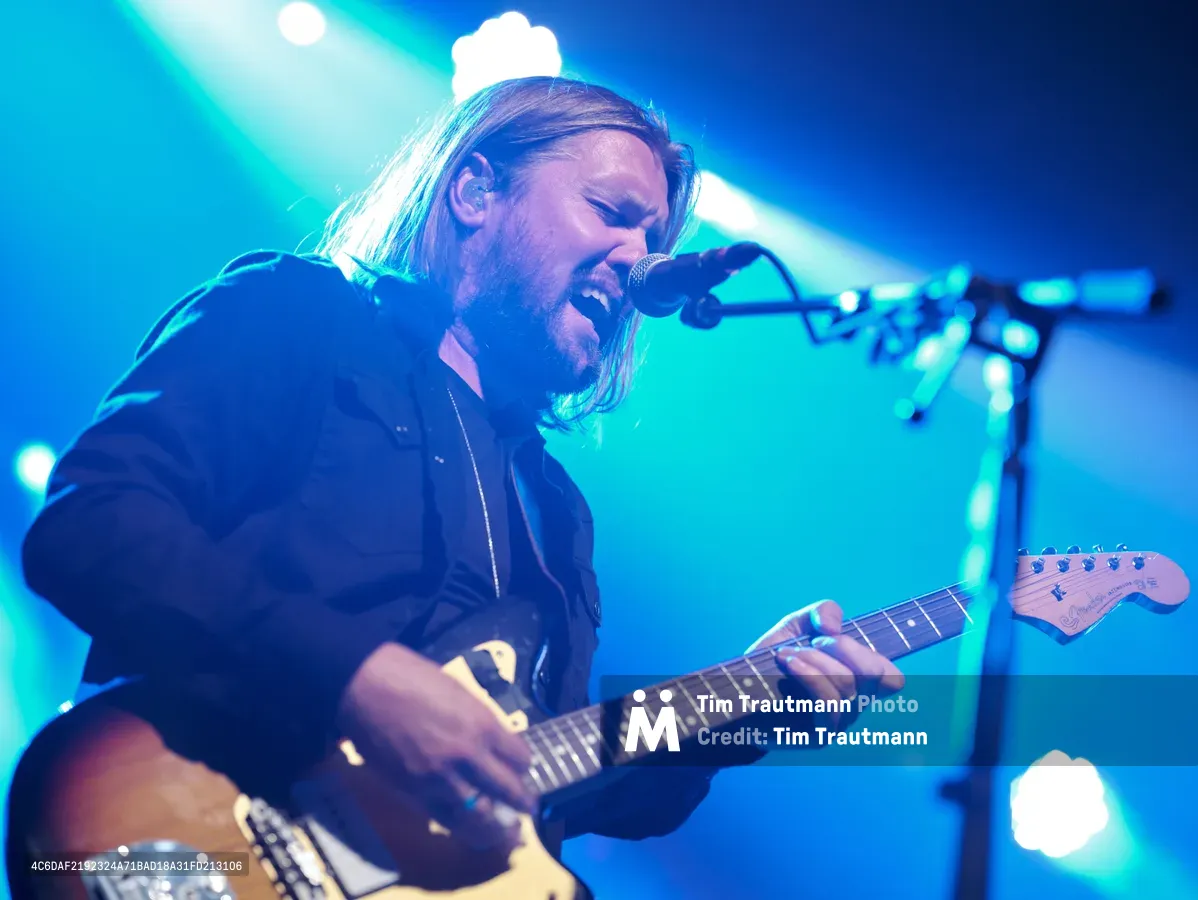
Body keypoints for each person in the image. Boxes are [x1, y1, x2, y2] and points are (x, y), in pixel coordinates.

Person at [19, 76, 904, 856]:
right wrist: (356, 676)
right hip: (194, 832)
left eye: (655, 234)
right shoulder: (298, 315)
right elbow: (89, 529)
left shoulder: (554, 509)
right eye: (612, 213)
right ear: (478, 189)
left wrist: (742, 711)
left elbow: (544, 775)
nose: (644, 259)